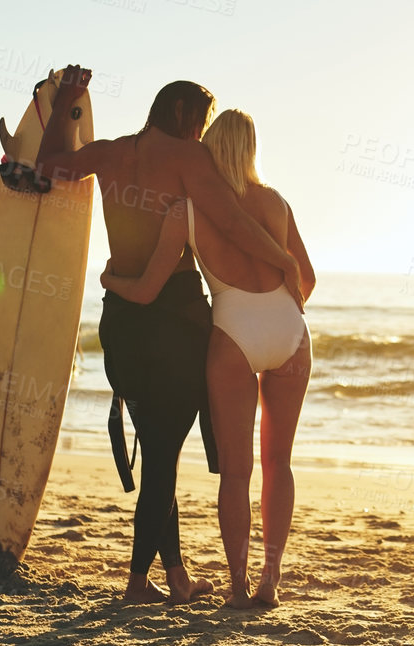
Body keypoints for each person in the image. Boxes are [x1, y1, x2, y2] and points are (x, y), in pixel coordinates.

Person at [34, 68, 303, 605]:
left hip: (122, 320)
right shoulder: (189, 158)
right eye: (200, 122)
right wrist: (285, 263)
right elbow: (231, 223)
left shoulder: (108, 154)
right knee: (163, 455)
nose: (204, 135)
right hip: (174, 320)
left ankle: (175, 575)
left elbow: (49, 167)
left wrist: (65, 101)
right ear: (182, 116)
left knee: (159, 447)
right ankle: (139, 581)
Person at [106, 108, 314, 608]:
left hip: (233, 335)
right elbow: (305, 279)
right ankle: (270, 580)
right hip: (290, 332)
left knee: (238, 470)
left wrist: (112, 280)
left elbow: (151, 285)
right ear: (252, 149)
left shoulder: (186, 210)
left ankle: (238, 587)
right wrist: (278, 306)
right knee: (278, 462)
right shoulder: (277, 202)